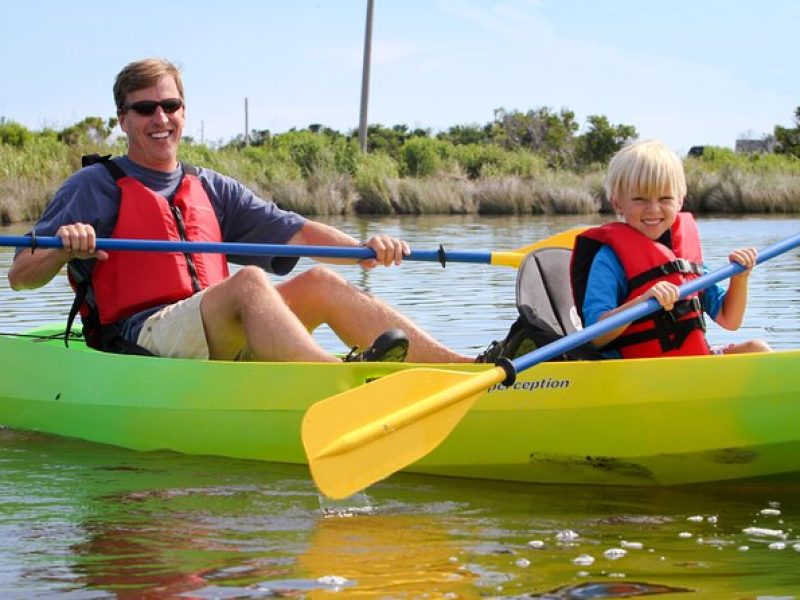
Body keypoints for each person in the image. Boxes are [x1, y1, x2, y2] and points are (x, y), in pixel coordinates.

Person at [8, 57, 474, 364]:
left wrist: (364, 250)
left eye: (170, 105)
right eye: (145, 108)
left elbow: (300, 234)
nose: (160, 119)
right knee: (249, 281)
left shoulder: (210, 186)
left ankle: (466, 373)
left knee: (320, 281)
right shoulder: (94, 186)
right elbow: (21, 275)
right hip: (142, 338)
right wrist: (64, 249)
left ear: (184, 112)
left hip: (216, 330)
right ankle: (335, 381)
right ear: (123, 119)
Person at [570, 139, 771, 359]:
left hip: (687, 366)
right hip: (634, 372)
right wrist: (644, 300)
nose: (653, 209)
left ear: (679, 201)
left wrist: (740, 278)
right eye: (639, 199)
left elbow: (729, 319)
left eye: (665, 198)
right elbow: (595, 336)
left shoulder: (684, 257)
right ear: (618, 204)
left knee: (757, 349)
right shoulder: (609, 259)